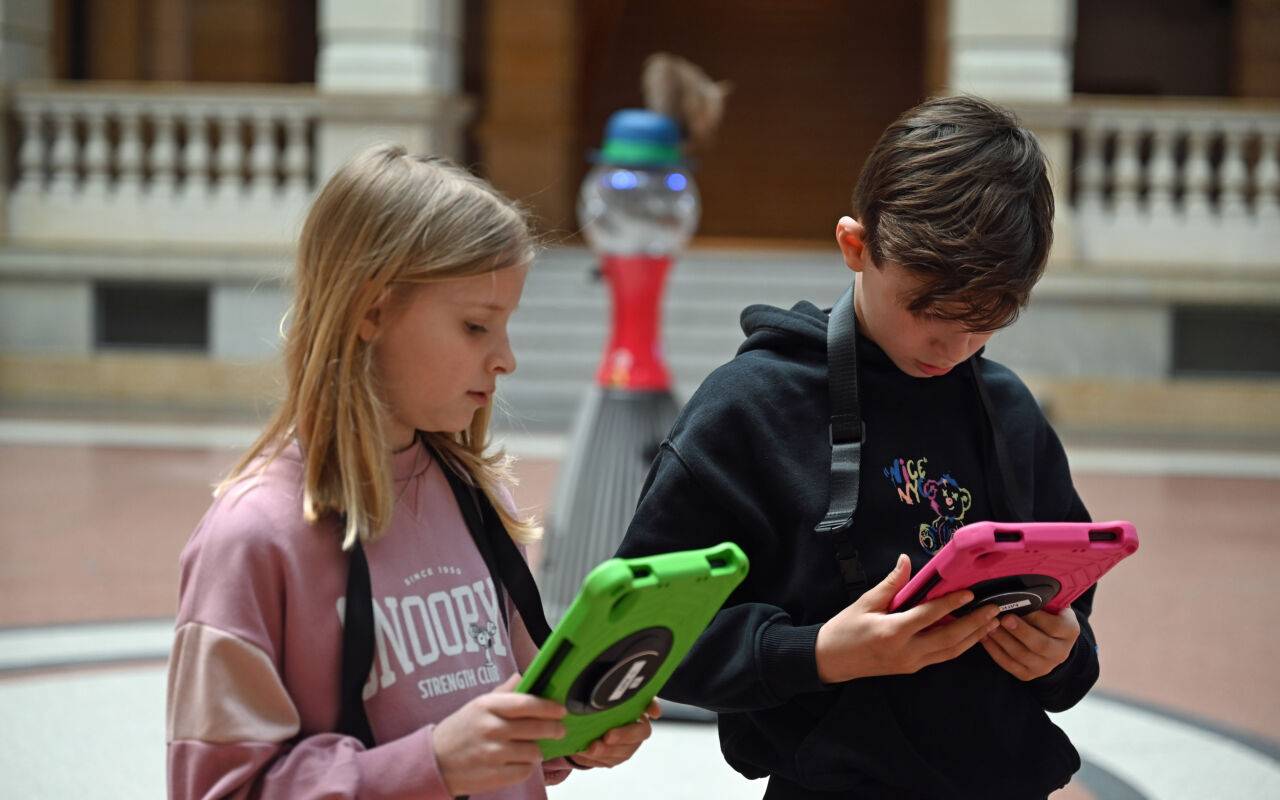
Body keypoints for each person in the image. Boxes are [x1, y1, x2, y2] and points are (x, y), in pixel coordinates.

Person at [616, 95, 1098, 799]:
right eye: (929, 313)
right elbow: (645, 637)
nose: (954, 348)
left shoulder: (1008, 408)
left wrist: (1062, 655)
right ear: (856, 246)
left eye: (987, 323)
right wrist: (816, 654)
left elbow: (1071, 616)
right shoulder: (751, 409)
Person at [166, 144, 656, 800]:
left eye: (505, 327)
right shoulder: (253, 537)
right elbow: (218, 789)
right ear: (370, 311)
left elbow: (513, 735)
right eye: (476, 326)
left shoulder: (478, 499)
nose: (505, 358)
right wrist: (433, 763)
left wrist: (575, 730)